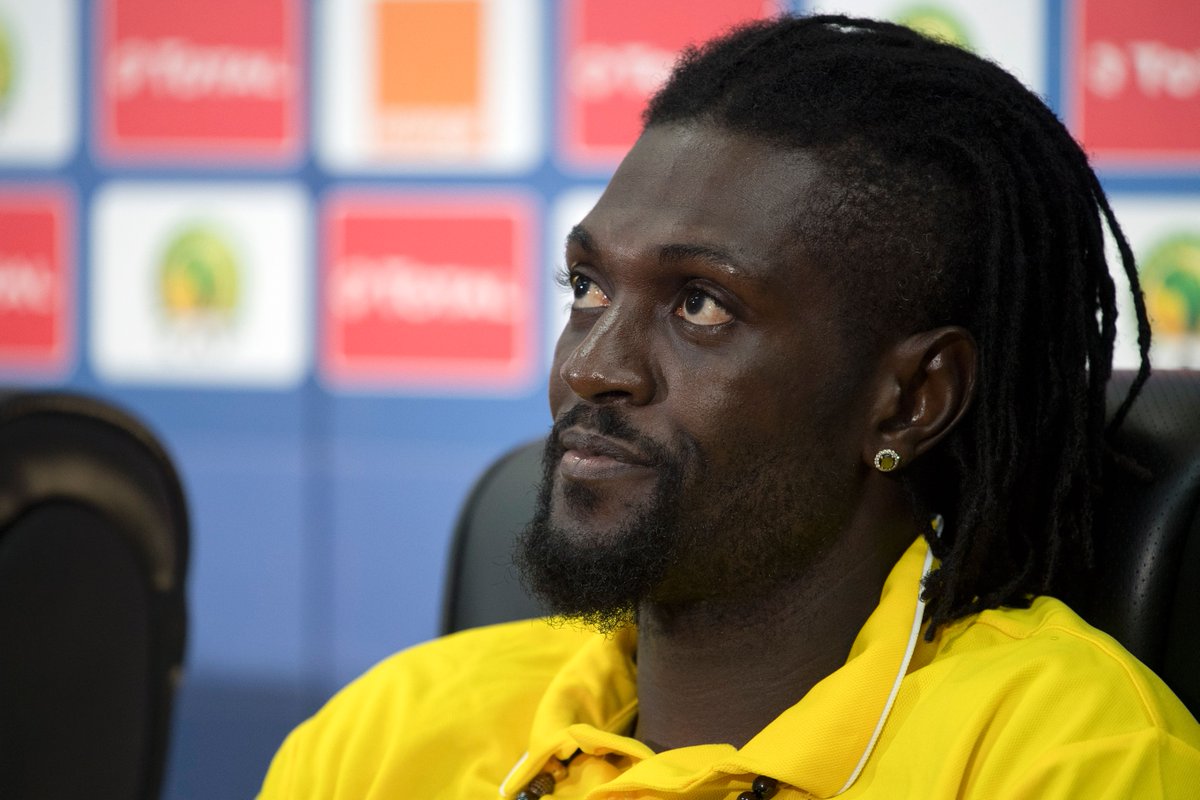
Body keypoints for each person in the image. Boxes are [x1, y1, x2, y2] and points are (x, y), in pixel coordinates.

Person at [260, 15, 1200, 799]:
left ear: (912, 401)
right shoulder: (381, 739)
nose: (592, 367)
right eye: (588, 287)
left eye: (701, 306)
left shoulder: (1070, 756)